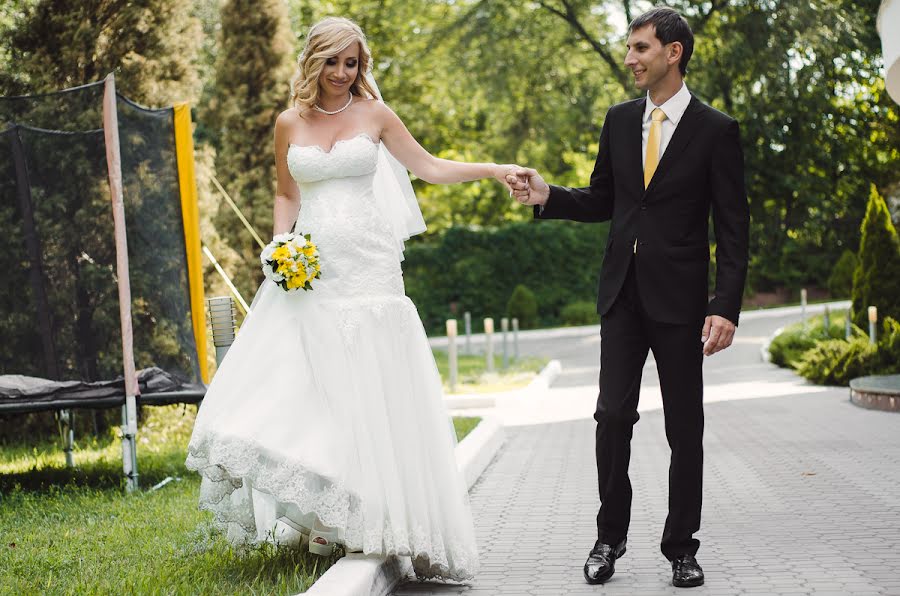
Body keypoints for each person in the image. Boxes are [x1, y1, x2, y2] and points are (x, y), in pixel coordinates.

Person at [186, 16, 518, 582]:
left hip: (370, 267)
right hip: (313, 271)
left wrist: (494, 170)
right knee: (314, 385)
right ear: (313, 61)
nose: (344, 73)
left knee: (374, 383)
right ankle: (335, 509)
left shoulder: (376, 116)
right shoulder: (288, 122)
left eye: (353, 63)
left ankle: (389, 516)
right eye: (334, 61)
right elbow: (285, 193)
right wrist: (280, 248)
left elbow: (430, 167)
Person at [508, 7, 749, 589]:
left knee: (683, 426)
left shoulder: (716, 131)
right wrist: (548, 196)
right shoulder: (619, 121)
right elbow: (602, 200)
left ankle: (681, 548)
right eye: (629, 48)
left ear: (674, 53)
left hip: (682, 303)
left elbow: (734, 228)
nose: (630, 59)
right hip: (621, 296)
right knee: (612, 416)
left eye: (641, 48)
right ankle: (608, 538)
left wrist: (725, 305)